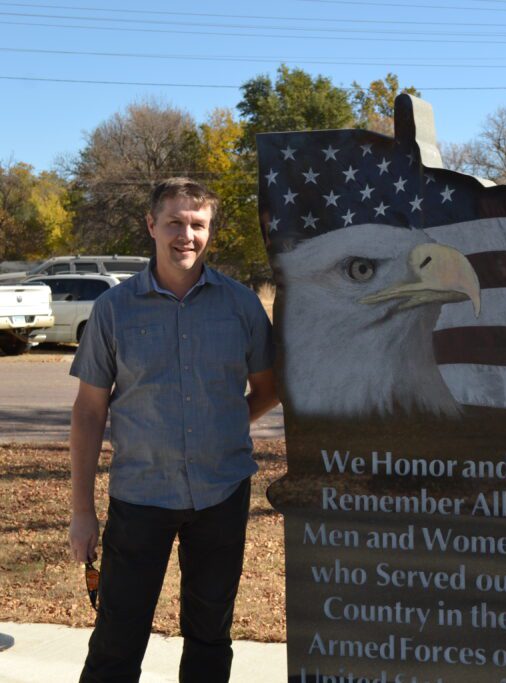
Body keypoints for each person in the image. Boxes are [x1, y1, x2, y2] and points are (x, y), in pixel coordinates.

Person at [68, 177, 278, 682]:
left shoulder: (241, 305)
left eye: (198, 224)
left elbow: (268, 388)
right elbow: (89, 412)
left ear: (210, 230)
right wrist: (82, 512)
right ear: (151, 225)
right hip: (140, 498)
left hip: (221, 494)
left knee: (210, 637)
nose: (186, 235)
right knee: (117, 641)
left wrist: (223, 426)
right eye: (175, 223)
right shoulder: (113, 310)